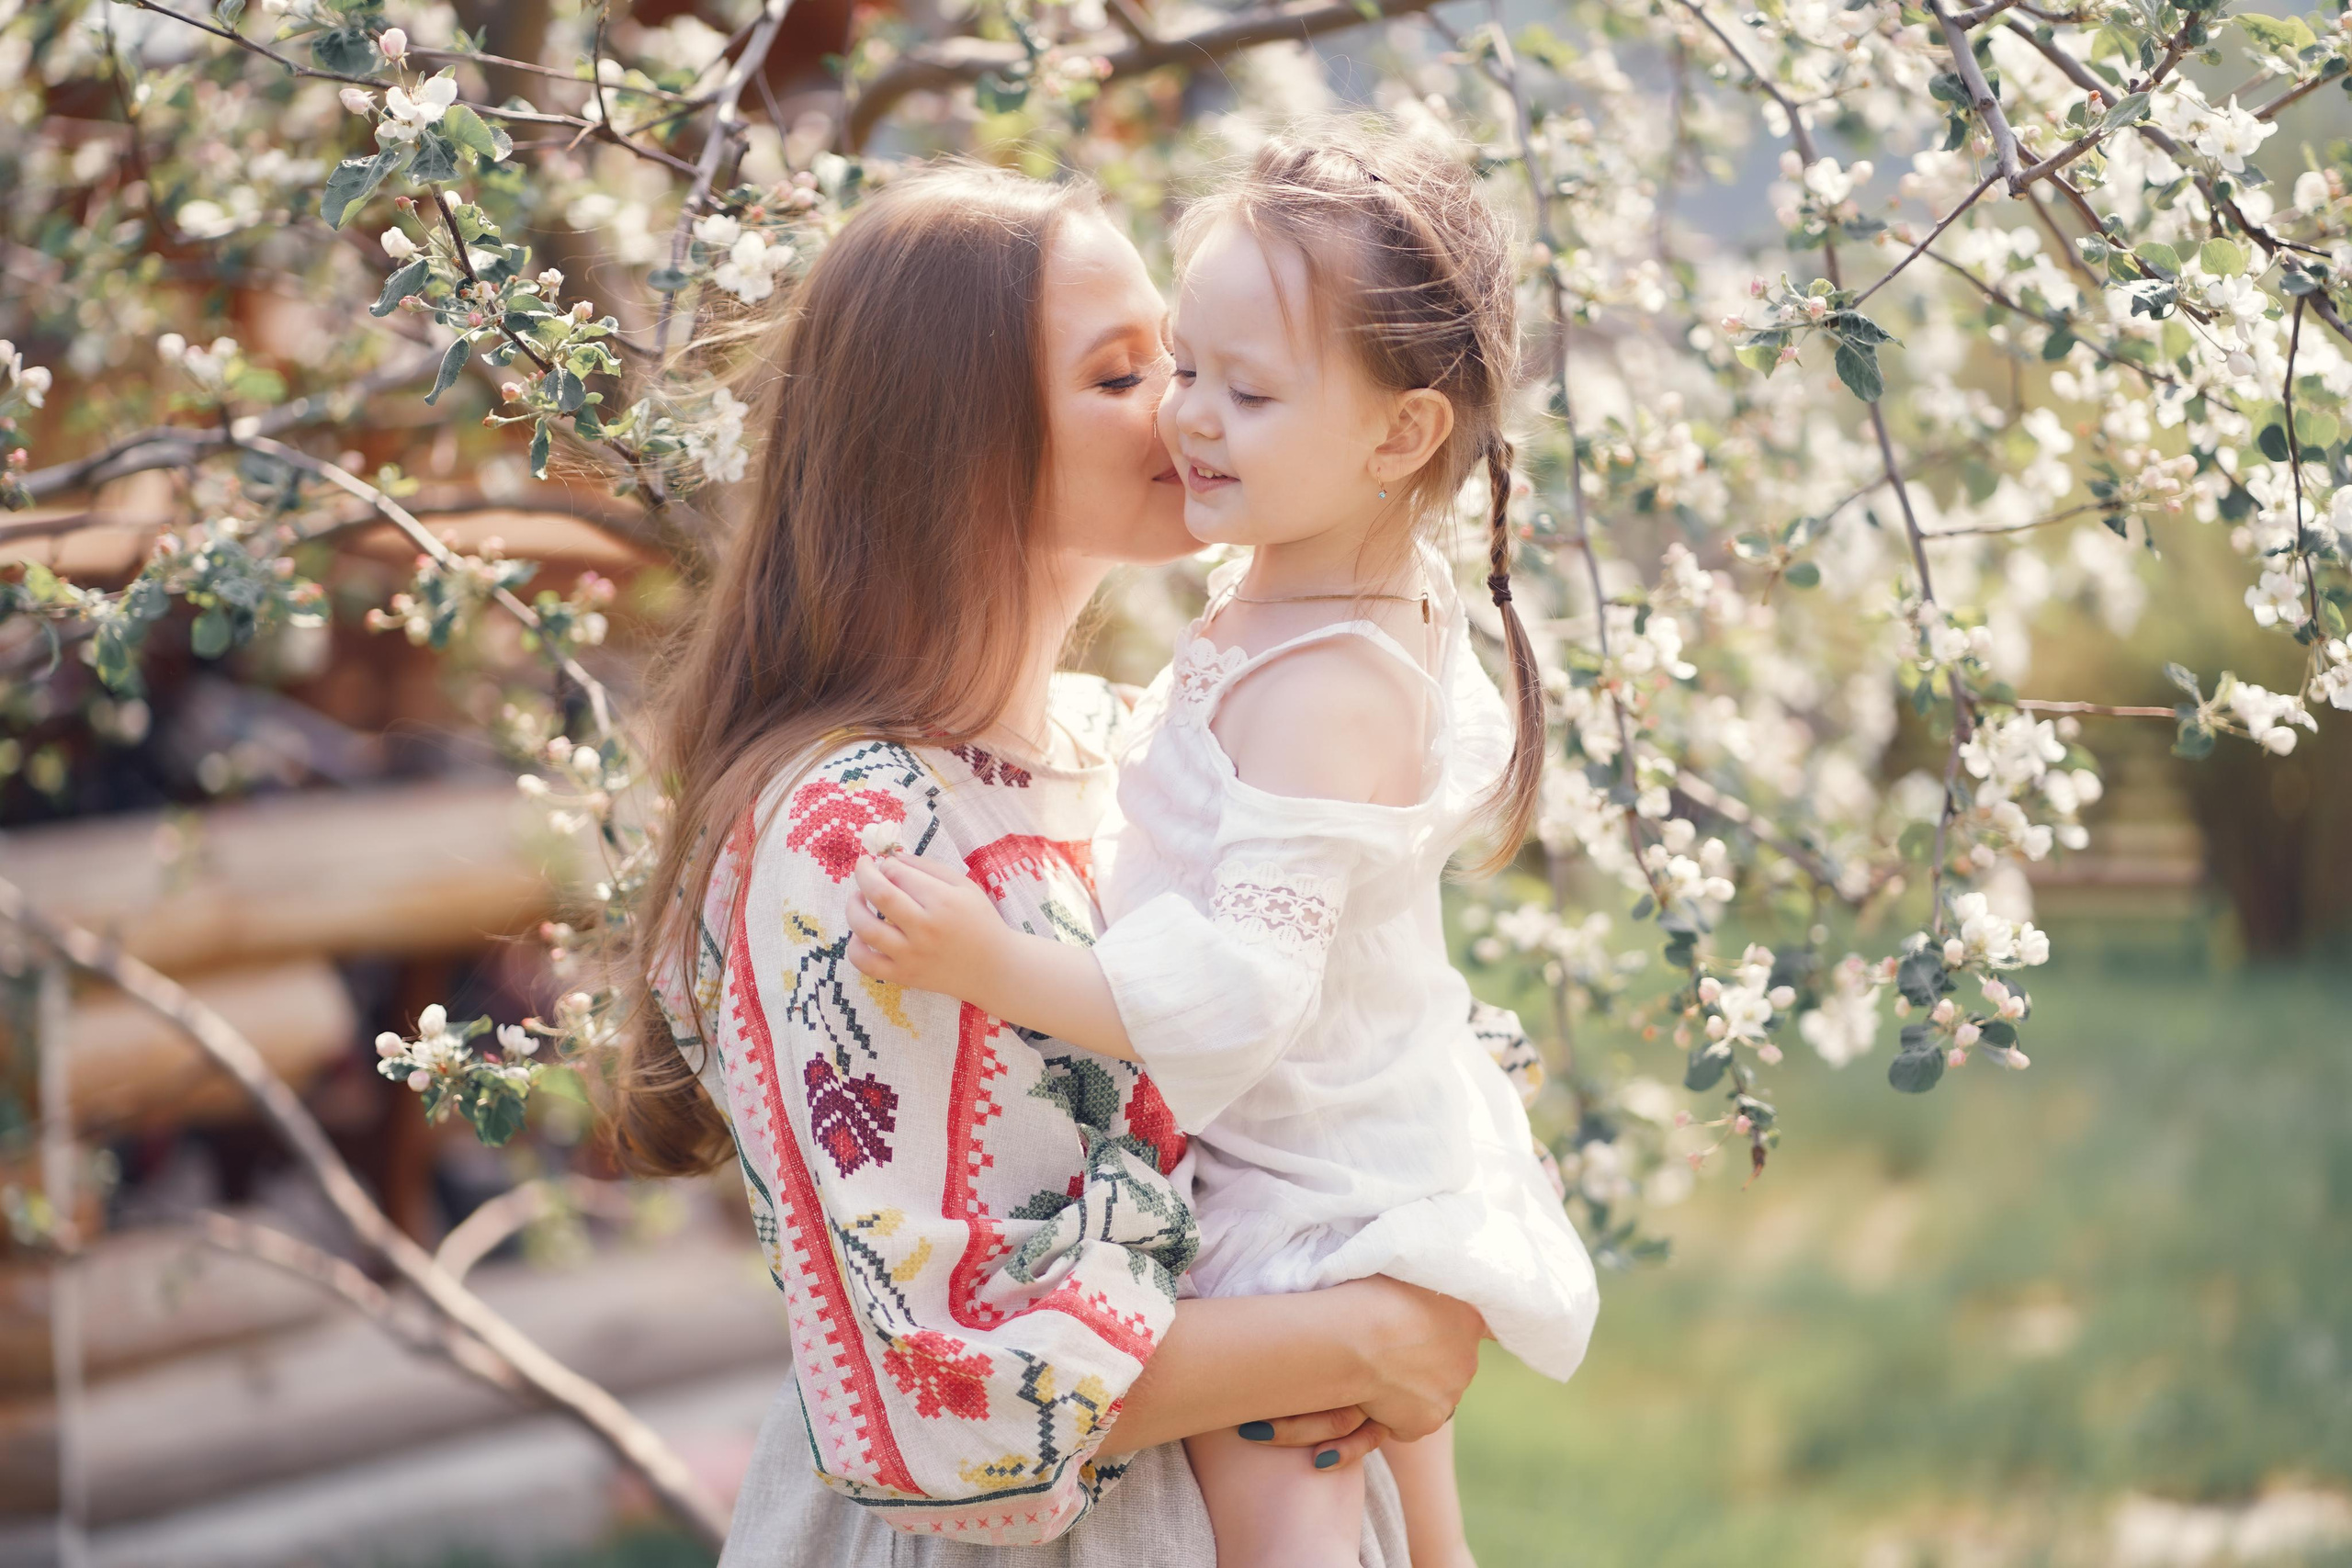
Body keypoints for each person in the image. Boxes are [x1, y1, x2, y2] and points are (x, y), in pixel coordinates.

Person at [616, 163, 1487, 1565]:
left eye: (1189, 359)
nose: (1185, 409)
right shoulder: (854, 831)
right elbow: (931, 1389)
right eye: (1122, 373)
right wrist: (1373, 1333)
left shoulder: (1124, 750)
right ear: (957, 444)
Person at [842, 128, 1600, 1568]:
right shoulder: (1327, 589)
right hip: (1371, 1133)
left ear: (1398, 438)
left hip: (1299, 1181)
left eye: (1243, 392)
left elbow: (1239, 993)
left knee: (1288, 1500)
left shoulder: (1324, 682)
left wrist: (989, 961)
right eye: (1182, 368)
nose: (1186, 419)